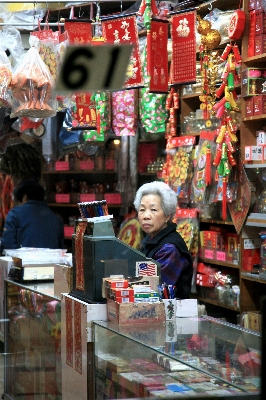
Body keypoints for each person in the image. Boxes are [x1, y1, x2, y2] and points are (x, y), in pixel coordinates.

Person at [133, 181, 193, 299]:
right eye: (142, 210)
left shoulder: (170, 248)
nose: (146, 216)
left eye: (153, 210)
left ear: (167, 216)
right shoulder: (150, 240)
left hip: (171, 314)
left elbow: (151, 290)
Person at [0, 179, 65, 252]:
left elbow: (7, 246)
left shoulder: (14, 214)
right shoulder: (56, 218)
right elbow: (61, 249)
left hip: (23, 262)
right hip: (52, 262)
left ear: (24, 197)